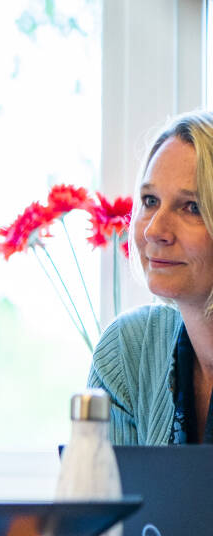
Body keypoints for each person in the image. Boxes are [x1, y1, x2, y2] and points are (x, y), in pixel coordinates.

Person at [88, 111, 213, 446]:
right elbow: (105, 496)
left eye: (191, 207)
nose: (155, 229)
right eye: (150, 201)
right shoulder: (128, 352)